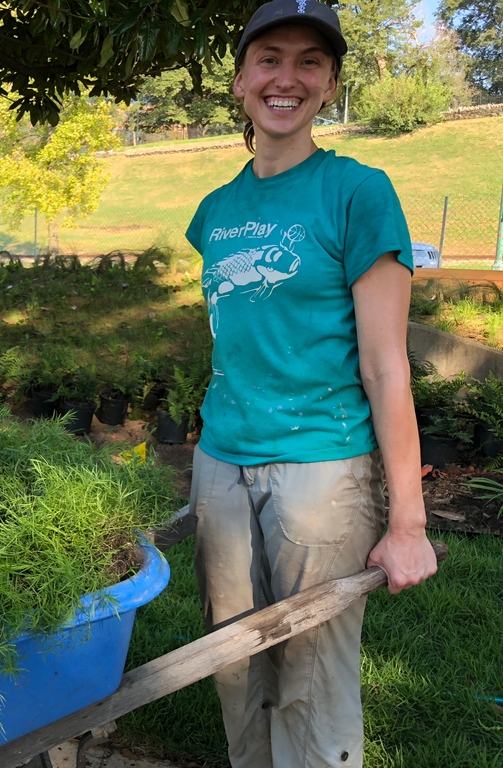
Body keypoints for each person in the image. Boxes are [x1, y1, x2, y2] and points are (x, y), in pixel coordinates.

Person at [183, 1, 439, 766]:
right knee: (233, 664)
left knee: (311, 679)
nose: (285, 78)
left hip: (320, 473)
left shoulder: (357, 193)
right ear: (239, 80)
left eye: (309, 63)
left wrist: (408, 523)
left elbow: (386, 366)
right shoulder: (215, 212)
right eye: (269, 59)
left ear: (329, 86)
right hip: (222, 464)